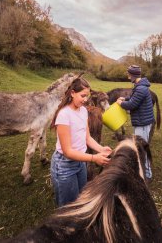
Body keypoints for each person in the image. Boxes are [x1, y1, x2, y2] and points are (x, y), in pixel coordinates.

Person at [50, 76, 112, 207]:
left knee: (81, 197)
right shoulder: (64, 115)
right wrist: (94, 158)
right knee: (68, 206)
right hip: (65, 165)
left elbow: (87, 137)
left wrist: (101, 149)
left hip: (80, 162)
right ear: (72, 93)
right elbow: (67, 151)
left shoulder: (83, 111)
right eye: (82, 95)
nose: (85, 100)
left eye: (87, 96)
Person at [116, 65, 155, 180]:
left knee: (141, 148)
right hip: (141, 121)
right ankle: (142, 170)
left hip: (143, 123)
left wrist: (121, 104)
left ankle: (147, 174)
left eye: (129, 75)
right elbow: (133, 99)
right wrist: (124, 99)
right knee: (139, 147)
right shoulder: (139, 86)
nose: (128, 77)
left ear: (133, 75)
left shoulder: (141, 88)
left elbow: (132, 104)